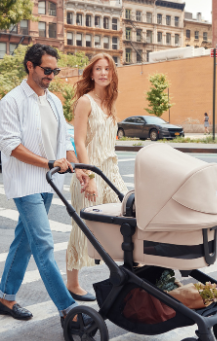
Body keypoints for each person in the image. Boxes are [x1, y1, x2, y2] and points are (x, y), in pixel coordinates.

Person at [0, 44, 90, 321]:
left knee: (24, 241)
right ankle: (68, 309)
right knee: (43, 243)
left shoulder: (54, 101)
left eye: (54, 70)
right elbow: (11, 145)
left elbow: (63, 140)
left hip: (49, 184)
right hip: (25, 183)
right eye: (46, 70)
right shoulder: (11, 101)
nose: (51, 75)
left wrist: (77, 167)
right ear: (30, 66)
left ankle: (6, 298)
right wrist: (49, 163)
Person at [65, 53, 129, 301]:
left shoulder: (110, 102)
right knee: (82, 229)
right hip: (91, 173)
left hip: (111, 171)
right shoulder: (85, 102)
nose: (103, 73)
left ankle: (126, 273)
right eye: (98, 69)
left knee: (126, 214)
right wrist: (89, 175)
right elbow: (79, 141)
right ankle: (72, 284)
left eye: (108, 69)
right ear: (91, 73)